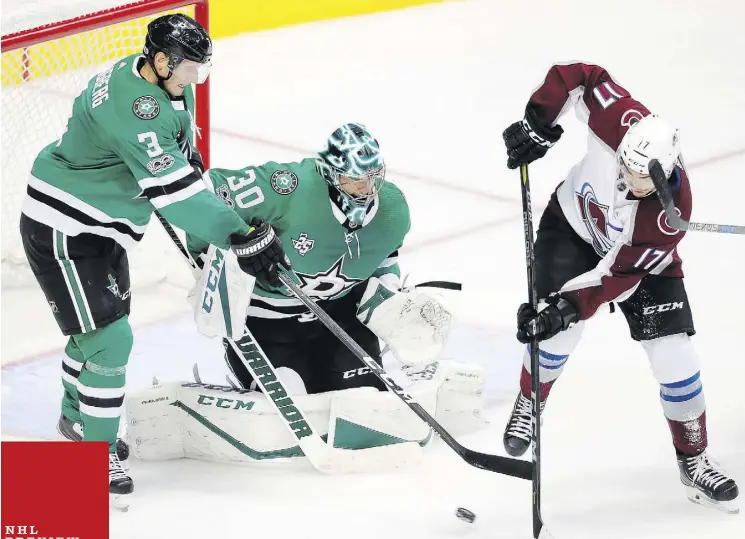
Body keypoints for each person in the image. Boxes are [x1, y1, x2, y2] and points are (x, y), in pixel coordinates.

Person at [19, 14, 262, 500]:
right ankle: (94, 451)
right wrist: (239, 235)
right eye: (188, 68)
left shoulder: (162, 81)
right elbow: (174, 194)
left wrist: (187, 162)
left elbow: (177, 156)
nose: (195, 79)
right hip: (65, 225)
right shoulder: (138, 108)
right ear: (160, 60)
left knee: (99, 333)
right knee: (111, 342)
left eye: (200, 69)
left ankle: (75, 415)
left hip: (104, 224)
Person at [500, 62, 738, 512]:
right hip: (571, 225)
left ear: (665, 173)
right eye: (625, 168)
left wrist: (566, 306)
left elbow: (614, 277)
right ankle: (532, 400)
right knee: (553, 334)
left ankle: (694, 458)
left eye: (640, 178)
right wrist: (539, 122)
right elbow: (580, 76)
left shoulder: (668, 218)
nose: (628, 181)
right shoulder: (621, 119)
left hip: (636, 264)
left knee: (676, 357)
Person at [188, 123, 449, 396]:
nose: (366, 188)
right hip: (267, 324)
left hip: (341, 320)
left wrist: (391, 296)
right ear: (330, 173)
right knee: (291, 400)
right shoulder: (288, 187)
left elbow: (385, 257)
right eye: (355, 178)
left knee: (363, 401)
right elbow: (205, 192)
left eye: (372, 176)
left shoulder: (393, 208)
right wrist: (213, 255)